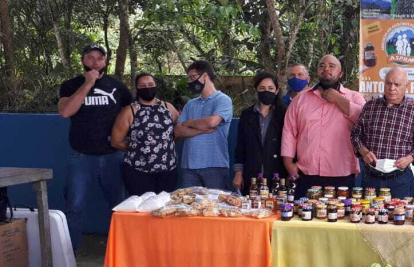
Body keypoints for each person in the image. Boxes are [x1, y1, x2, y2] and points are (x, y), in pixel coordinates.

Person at [58, 43, 131, 250]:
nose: (95, 62)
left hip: (112, 155)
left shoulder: (117, 86)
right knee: (74, 205)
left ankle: (119, 251)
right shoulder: (71, 85)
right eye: (90, 57)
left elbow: (132, 113)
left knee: (119, 206)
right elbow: (65, 112)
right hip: (80, 156)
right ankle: (70, 253)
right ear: (83, 60)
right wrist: (87, 85)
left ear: (105, 62)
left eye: (100, 58)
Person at [282, 54, 366, 198]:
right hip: (307, 173)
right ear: (317, 72)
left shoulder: (355, 97)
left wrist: (338, 99)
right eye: (322, 65)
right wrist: (289, 165)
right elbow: (289, 131)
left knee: (340, 219)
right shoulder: (300, 100)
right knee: (305, 218)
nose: (326, 68)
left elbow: (365, 121)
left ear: (340, 73)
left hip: (342, 173)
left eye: (331, 66)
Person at [351, 67, 414, 197]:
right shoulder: (370, 107)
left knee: (398, 215)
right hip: (371, 176)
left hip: (399, 179)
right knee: (369, 215)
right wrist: (364, 152)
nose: (392, 88)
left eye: (397, 84)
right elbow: (355, 135)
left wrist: (409, 159)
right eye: (388, 83)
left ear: (406, 86)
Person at [111, 73, 180, 195]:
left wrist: (163, 146)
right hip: (138, 171)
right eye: (142, 85)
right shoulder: (129, 111)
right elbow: (116, 141)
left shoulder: (167, 107)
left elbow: (178, 130)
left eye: (150, 84)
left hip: (167, 170)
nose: (147, 88)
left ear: (156, 86)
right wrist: (137, 149)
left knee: (165, 208)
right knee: (142, 209)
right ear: (137, 89)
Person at [173, 60, 234, 190]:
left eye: (193, 77)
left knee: (215, 207)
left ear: (205, 75)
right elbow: (178, 131)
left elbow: (212, 122)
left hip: (215, 164)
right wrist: (202, 130)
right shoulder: (190, 104)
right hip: (188, 166)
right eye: (188, 78)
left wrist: (188, 123)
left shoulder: (223, 100)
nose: (190, 81)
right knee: (187, 208)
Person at [232, 72, 286, 195]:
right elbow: (240, 147)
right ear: (256, 90)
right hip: (252, 174)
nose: (266, 91)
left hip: (277, 174)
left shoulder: (285, 114)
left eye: (270, 88)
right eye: (262, 88)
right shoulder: (247, 115)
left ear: (277, 91)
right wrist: (238, 173)